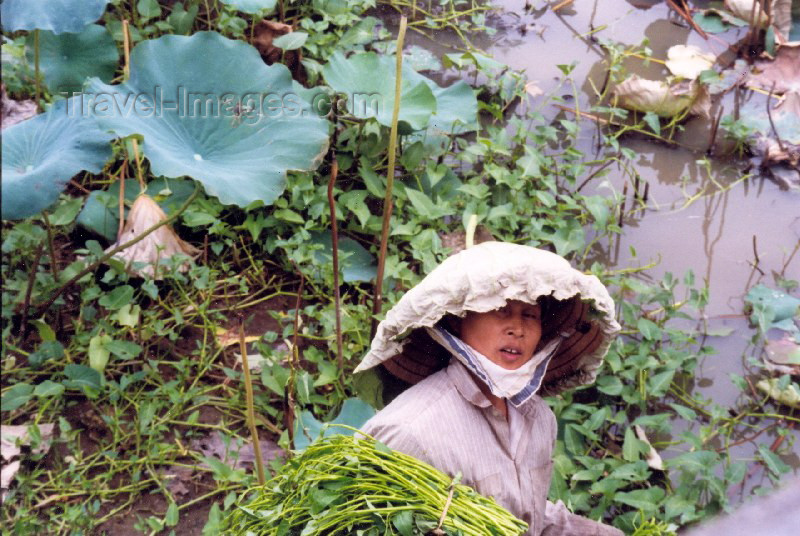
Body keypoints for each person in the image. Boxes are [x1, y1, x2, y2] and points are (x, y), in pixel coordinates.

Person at [356, 241, 623, 536]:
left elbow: (529, 518)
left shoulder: (538, 419)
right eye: (500, 310)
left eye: (529, 315)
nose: (517, 329)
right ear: (458, 321)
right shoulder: (411, 432)